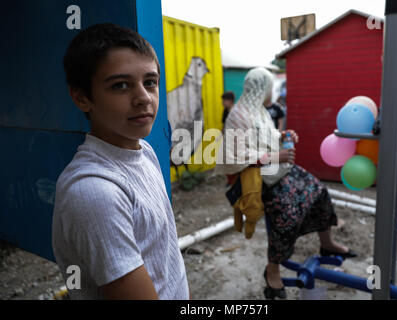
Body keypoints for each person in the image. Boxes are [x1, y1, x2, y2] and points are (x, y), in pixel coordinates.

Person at [52, 23, 189, 300]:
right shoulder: (94, 192)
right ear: (81, 97)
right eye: (121, 85)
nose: (143, 98)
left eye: (150, 82)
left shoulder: (145, 150)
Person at [216, 67, 356, 300]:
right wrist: (275, 156)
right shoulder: (237, 116)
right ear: (262, 89)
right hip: (253, 181)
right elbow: (235, 158)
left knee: (318, 190)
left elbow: (264, 137)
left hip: (275, 171)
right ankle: (272, 268)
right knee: (286, 212)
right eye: (270, 87)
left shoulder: (258, 110)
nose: (272, 91)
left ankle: (327, 242)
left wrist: (282, 136)